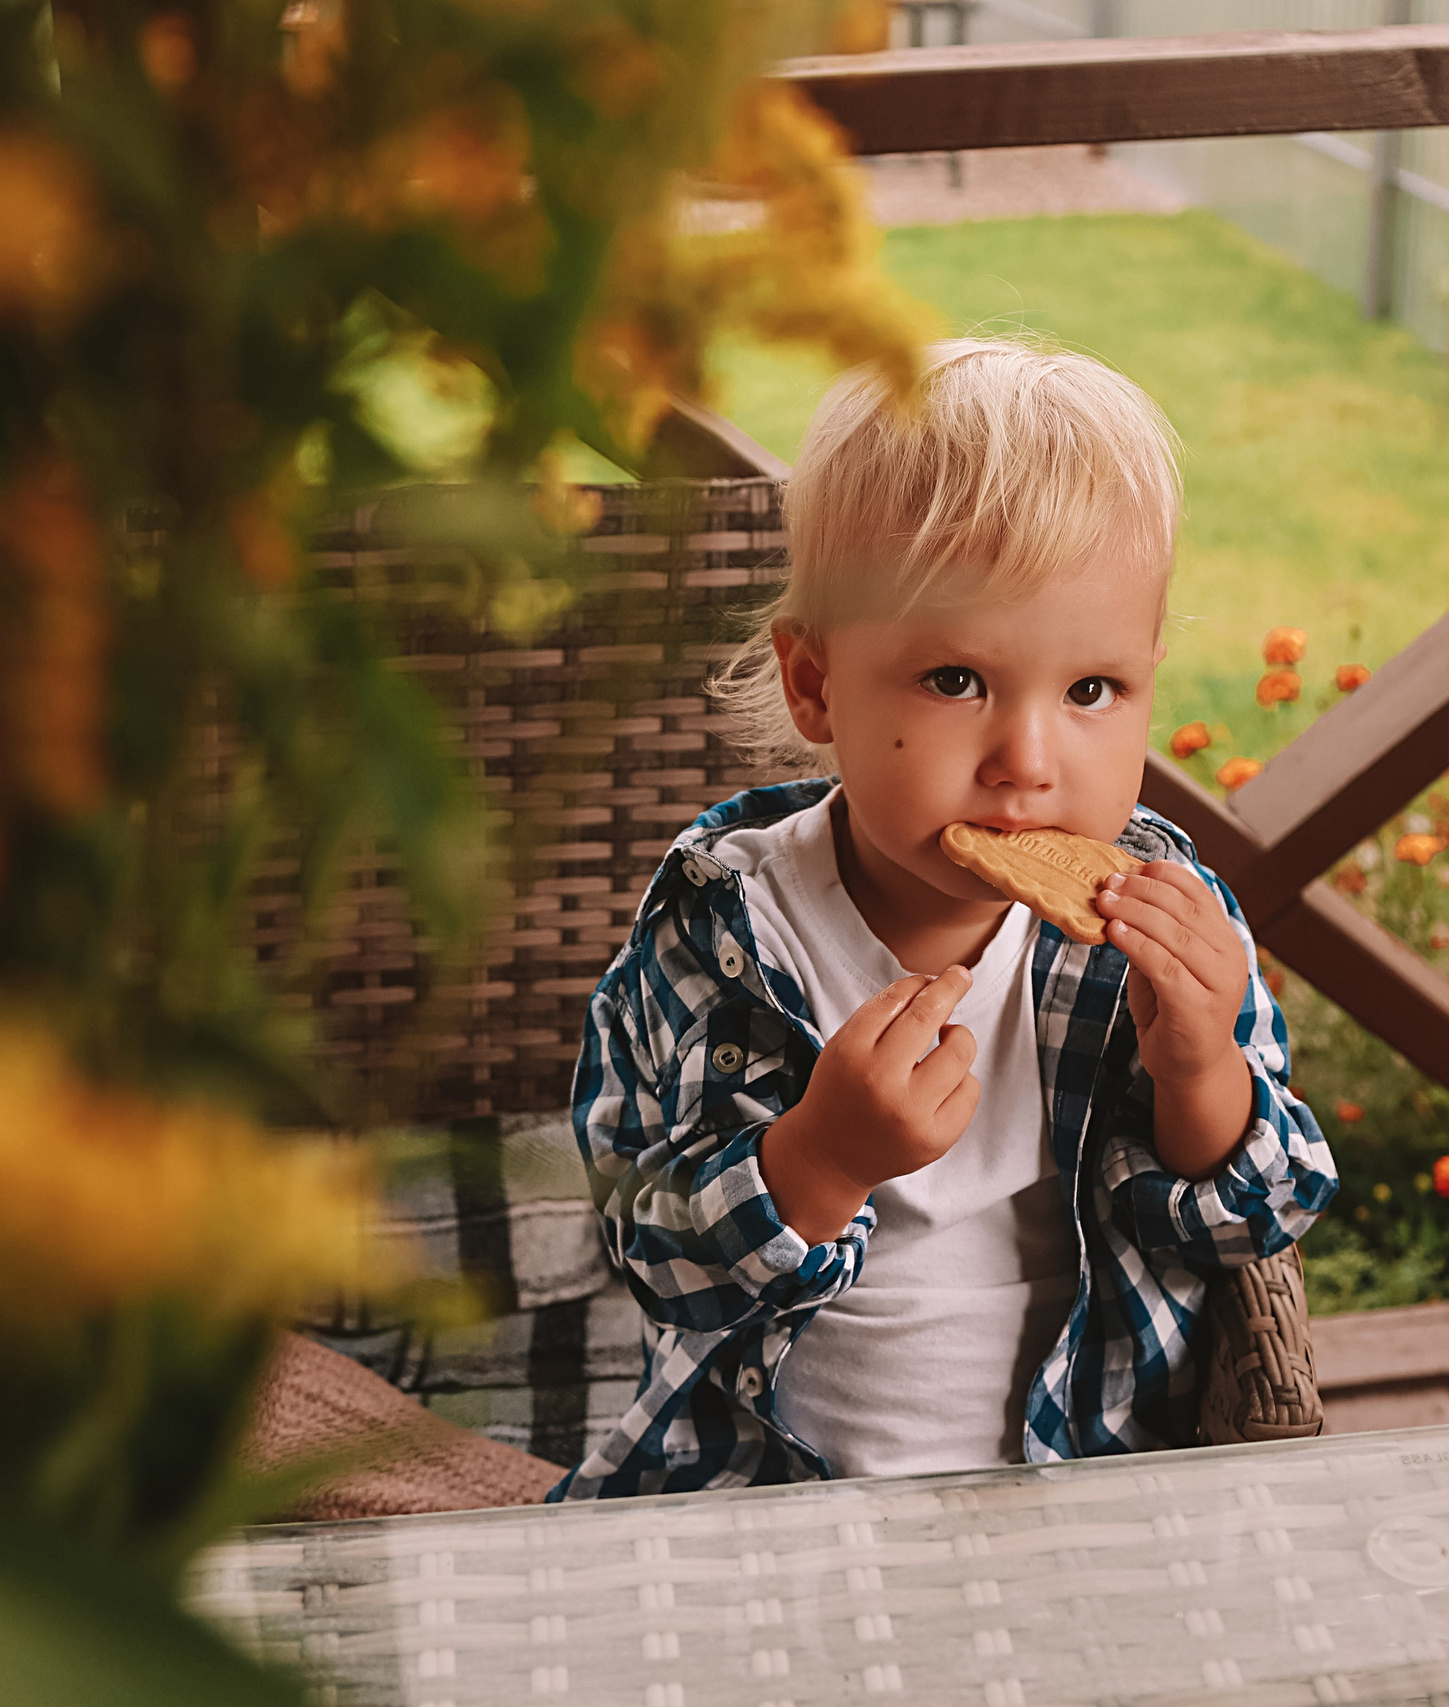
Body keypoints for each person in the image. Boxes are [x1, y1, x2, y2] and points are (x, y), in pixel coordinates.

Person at [552, 338, 1337, 1500]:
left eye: (1091, 690)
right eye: (956, 681)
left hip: (1092, 1482)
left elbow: (1251, 1228)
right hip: (764, 1493)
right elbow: (649, 1255)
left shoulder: (1163, 926)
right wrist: (820, 1158)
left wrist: (1199, 1071)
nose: (1028, 761)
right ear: (815, 684)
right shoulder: (723, 930)